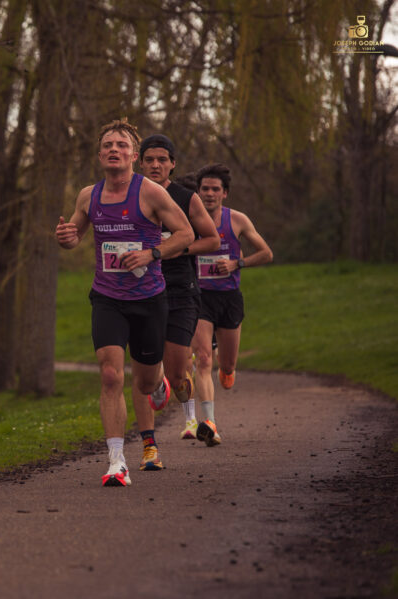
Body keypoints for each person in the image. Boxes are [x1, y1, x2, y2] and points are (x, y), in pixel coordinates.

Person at [55, 119, 193, 487]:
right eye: (107, 146)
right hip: (107, 298)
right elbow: (74, 236)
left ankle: (160, 378)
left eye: (121, 145)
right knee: (111, 374)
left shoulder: (151, 194)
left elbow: (186, 234)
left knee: (145, 383)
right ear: (100, 155)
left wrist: (152, 254)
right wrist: (66, 237)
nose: (114, 149)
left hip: (149, 298)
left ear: (133, 154)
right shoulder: (89, 195)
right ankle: (117, 460)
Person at [135, 136, 220, 469]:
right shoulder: (131, 196)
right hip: (139, 289)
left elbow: (212, 239)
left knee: (176, 369)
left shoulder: (187, 198)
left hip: (179, 289)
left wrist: (177, 247)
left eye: (162, 159)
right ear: (140, 163)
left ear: (172, 164)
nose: (156, 165)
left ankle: (173, 388)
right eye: (150, 159)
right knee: (143, 371)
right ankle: (149, 447)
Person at [191, 163, 273, 447]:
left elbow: (266, 253)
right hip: (199, 297)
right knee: (202, 360)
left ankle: (227, 369)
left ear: (225, 193)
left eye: (215, 189)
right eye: (205, 189)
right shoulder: (188, 221)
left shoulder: (237, 220)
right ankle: (210, 424)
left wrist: (238, 263)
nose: (209, 194)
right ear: (197, 192)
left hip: (229, 299)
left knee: (225, 369)